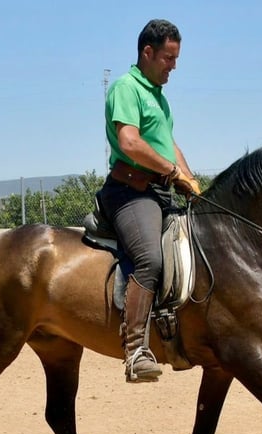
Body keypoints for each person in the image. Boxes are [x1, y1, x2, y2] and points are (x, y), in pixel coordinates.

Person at [97, 19, 201, 383]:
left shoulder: (158, 96)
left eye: (175, 59)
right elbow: (130, 143)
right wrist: (174, 172)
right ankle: (136, 350)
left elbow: (168, 144)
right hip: (129, 191)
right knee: (150, 259)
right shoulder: (127, 88)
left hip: (159, 191)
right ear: (148, 53)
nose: (174, 66)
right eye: (169, 58)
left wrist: (189, 180)